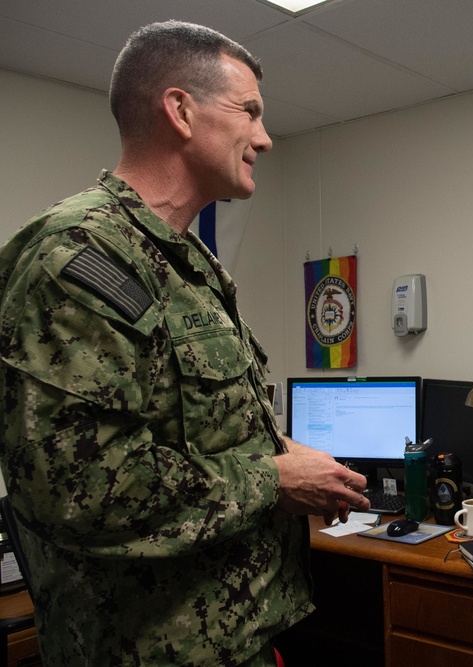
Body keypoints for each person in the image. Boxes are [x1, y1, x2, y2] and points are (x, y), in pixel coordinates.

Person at [0, 21, 370, 667]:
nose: (264, 136)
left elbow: (188, 426)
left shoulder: (187, 262)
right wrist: (273, 480)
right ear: (180, 110)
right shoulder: (77, 256)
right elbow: (79, 489)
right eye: (248, 112)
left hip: (229, 636)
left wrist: (284, 452)